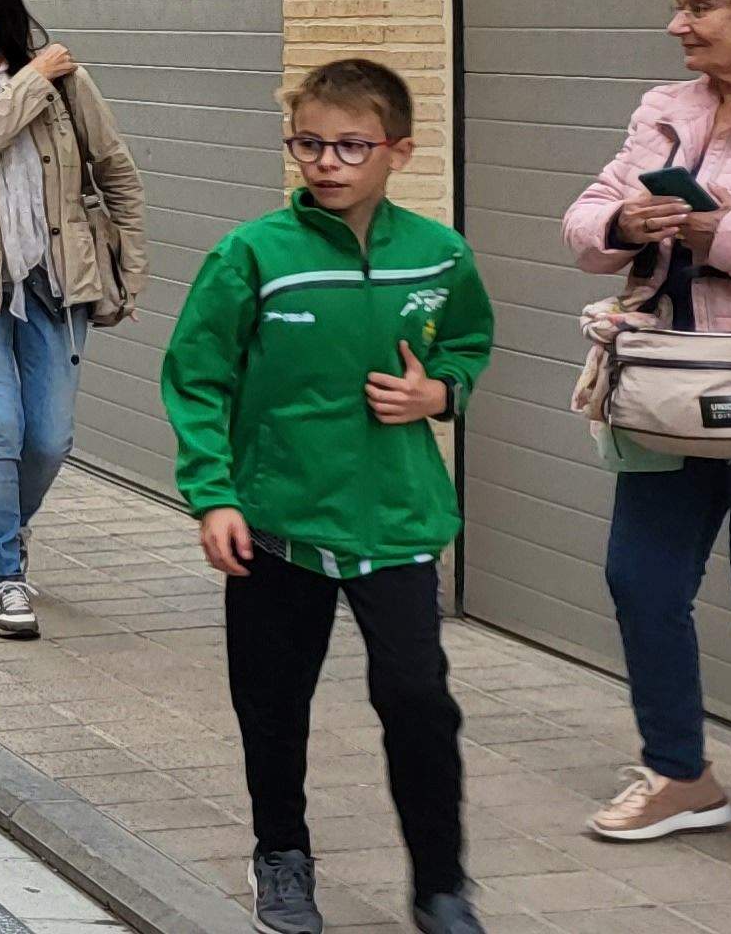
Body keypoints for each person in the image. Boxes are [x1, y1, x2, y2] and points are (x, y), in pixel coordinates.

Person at [162, 59, 494, 934]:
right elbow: (196, 379)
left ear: (399, 152)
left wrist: (442, 393)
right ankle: (282, 855)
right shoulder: (253, 254)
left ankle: (441, 884)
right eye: (309, 142)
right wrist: (214, 495)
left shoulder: (440, 253)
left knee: (419, 701)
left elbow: (467, 343)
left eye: (350, 144)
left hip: (396, 522)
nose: (326, 162)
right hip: (276, 528)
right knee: (273, 705)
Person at [561, 0, 731, 878]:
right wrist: (624, 222)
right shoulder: (665, 109)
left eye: (701, 8)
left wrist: (723, 233)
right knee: (641, 582)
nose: (678, 25)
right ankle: (680, 774)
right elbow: (585, 221)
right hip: (666, 387)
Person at [0, 0, 145, 642]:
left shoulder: (68, 85)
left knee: (48, 436)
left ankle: (8, 530)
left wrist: (130, 269)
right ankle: (3, 577)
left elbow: (116, 169)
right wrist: (35, 77)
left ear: (0, 22)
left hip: (59, 277)